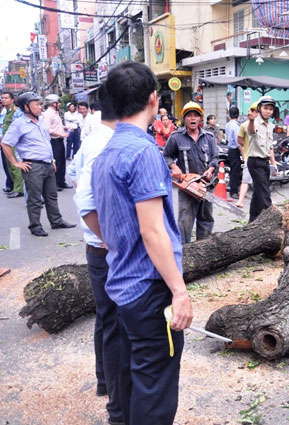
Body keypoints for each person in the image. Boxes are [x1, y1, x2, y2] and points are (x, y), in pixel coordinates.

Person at [90, 61, 193, 425]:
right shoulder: (144, 152)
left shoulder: (105, 156)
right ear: (153, 98)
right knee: (156, 388)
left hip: (121, 285)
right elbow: (153, 232)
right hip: (148, 292)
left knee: (136, 377)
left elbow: (102, 221)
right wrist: (179, 292)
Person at [72, 84, 124, 425]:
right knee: (116, 323)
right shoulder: (106, 144)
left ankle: (105, 381)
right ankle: (116, 397)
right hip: (107, 249)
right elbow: (85, 201)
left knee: (106, 318)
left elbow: (73, 177)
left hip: (98, 246)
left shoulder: (91, 141)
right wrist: (111, 240)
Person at [1, 92, 76, 236]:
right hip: (33, 166)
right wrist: (16, 163)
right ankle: (35, 226)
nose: (40, 107)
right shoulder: (19, 123)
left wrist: (52, 160)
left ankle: (56, 221)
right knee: (35, 199)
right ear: (26, 107)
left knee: (51, 196)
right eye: (36, 104)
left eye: (39, 104)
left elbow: (46, 142)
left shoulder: (41, 121)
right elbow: (5, 144)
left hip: (48, 164)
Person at [163, 101, 218, 244]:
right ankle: (184, 253)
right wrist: (175, 168)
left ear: (200, 119)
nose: (192, 118)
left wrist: (211, 169)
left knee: (206, 219)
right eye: (189, 116)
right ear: (184, 119)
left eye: (196, 116)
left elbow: (215, 158)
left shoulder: (209, 137)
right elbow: (166, 155)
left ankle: (203, 250)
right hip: (187, 187)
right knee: (184, 222)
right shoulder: (176, 137)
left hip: (205, 185)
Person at [246, 96, 278, 222]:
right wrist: (251, 121)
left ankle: (252, 222)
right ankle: (273, 220)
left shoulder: (270, 125)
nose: (268, 111)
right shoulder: (255, 121)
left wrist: (274, 164)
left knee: (257, 194)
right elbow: (251, 131)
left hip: (265, 162)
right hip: (255, 161)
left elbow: (270, 148)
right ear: (259, 108)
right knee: (265, 193)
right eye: (265, 108)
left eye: (271, 109)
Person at [42, 94, 72, 190]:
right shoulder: (48, 114)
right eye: (58, 102)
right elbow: (48, 129)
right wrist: (62, 134)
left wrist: (64, 128)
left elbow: (56, 125)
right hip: (54, 141)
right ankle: (55, 183)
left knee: (61, 162)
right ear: (53, 103)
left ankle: (61, 181)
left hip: (59, 140)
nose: (59, 104)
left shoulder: (55, 113)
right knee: (56, 162)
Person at [234, 102, 258, 209]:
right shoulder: (244, 125)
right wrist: (248, 146)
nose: (255, 113)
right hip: (250, 157)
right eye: (254, 111)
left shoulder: (265, 125)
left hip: (261, 158)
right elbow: (239, 140)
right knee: (245, 180)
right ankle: (241, 200)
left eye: (257, 111)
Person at [1, 92, 24, 198]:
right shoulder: (7, 111)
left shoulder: (16, 111)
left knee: (15, 166)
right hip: (7, 142)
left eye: (6, 98)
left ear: (12, 100)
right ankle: (15, 187)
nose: (3, 100)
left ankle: (19, 189)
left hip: (13, 142)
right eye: (2, 98)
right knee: (10, 166)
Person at [225, 106, 241, 199]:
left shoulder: (228, 124)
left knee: (233, 170)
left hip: (230, 149)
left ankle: (234, 190)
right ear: (238, 115)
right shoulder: (236, 126)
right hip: (235, 150)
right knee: (235, 171)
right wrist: (243, 153)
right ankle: (234, 191)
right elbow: (238, 142)